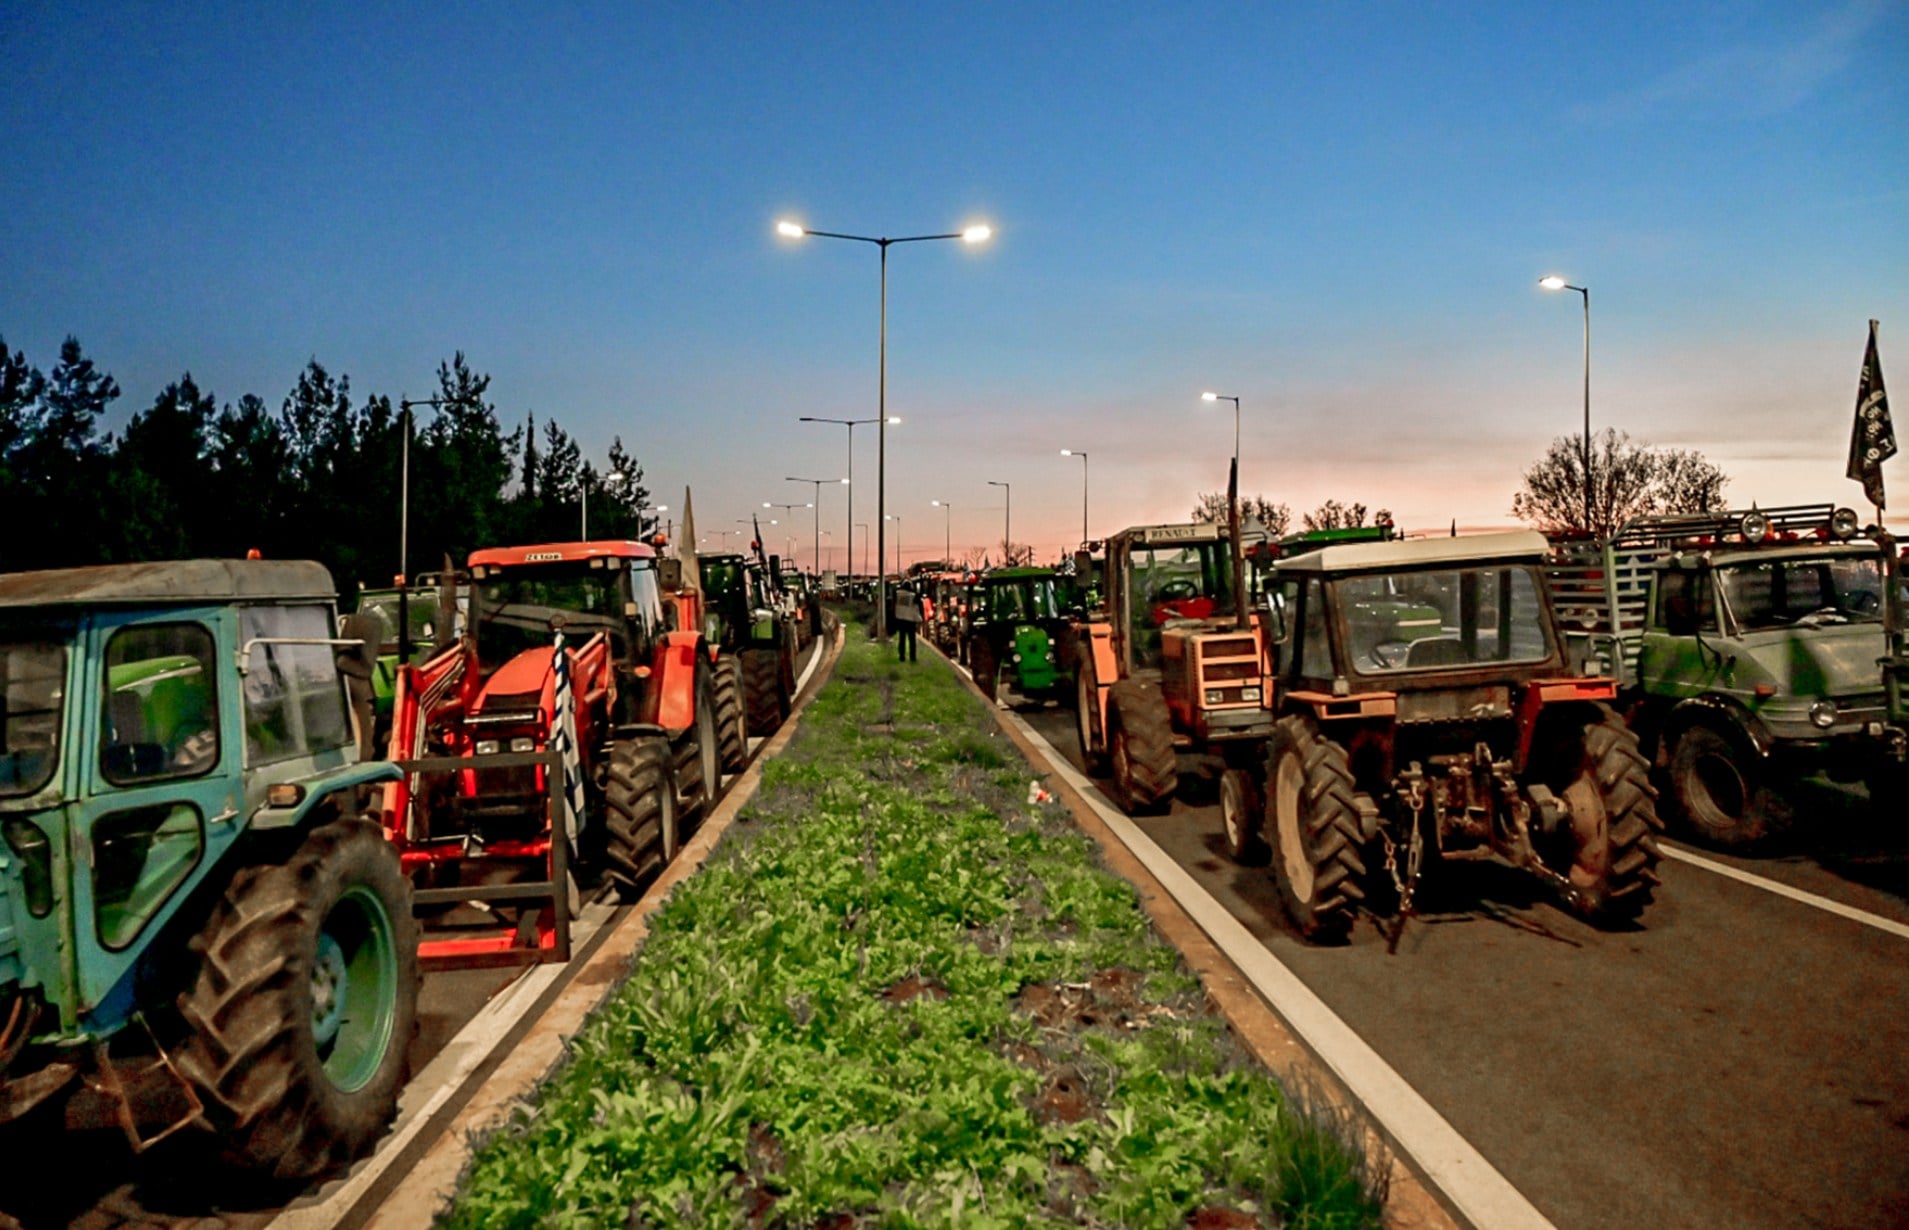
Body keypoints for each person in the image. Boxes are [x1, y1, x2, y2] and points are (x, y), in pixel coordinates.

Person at [893, 582, 922, 662]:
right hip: (910, 620)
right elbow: (917, 606)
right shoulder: (913, 596)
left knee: (902, 639)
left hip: (900, 618)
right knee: (912, 640)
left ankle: (902, 656)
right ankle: (912, 657)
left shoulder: (898, 594)